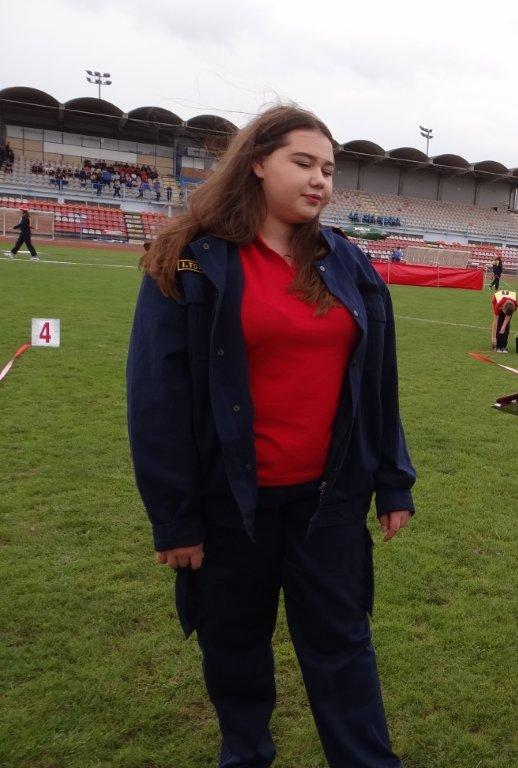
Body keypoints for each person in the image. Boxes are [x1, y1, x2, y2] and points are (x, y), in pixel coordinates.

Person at [126, 105, 414, 768]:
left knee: (343, 651)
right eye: (303, 163)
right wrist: (175, 519)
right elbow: (156, 399)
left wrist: (393, 479)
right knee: (235, 651)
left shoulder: (348, 263)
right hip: (233, 508)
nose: (320, 181)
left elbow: (377, 385)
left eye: (329, 169)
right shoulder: (192, 262)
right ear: (257, 161)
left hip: (329, 503)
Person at [490, 288, 518, 353]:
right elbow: (495, 321)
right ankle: (496, 346)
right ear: (502, 307)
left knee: (506, 326)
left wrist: (504, 325)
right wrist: (493, 337)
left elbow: (508, 315)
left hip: (508, 304)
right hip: (497, 299)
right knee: (499, 322)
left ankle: (503, 346)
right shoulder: (498, 304)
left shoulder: (516, 304)